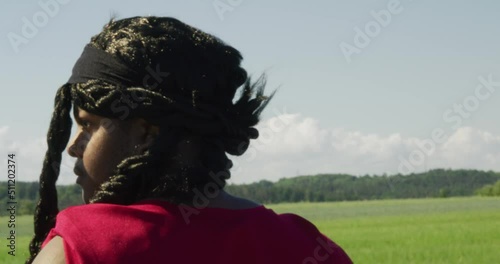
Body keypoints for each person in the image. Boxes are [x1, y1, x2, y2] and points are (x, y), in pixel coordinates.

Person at [28, 16, 353, 264]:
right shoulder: (305, 246)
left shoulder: (81, 248)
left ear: (146, 131)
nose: (73, 146)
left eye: (88, 126)